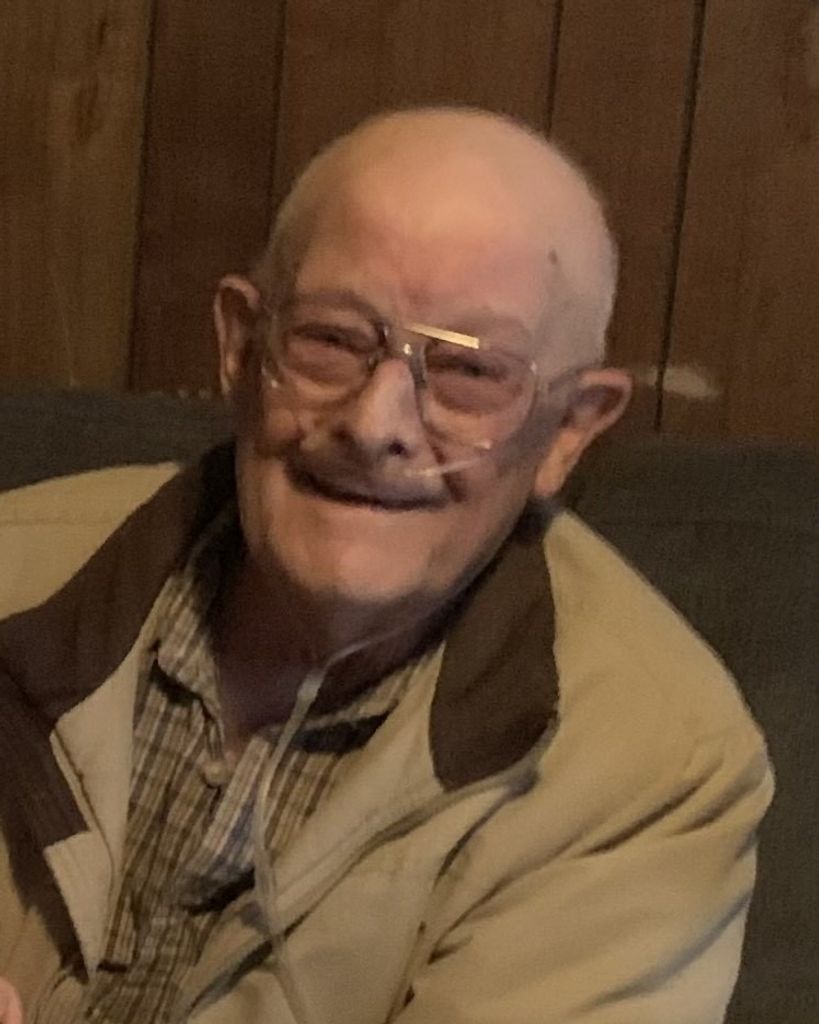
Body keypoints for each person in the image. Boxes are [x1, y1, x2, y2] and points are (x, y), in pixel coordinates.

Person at [0, 108, 772, 1023]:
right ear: (241, 346)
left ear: (568, 429)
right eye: (330, 340)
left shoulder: (651, 768)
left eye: (470, 373)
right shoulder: (17, 565)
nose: (375, 425)